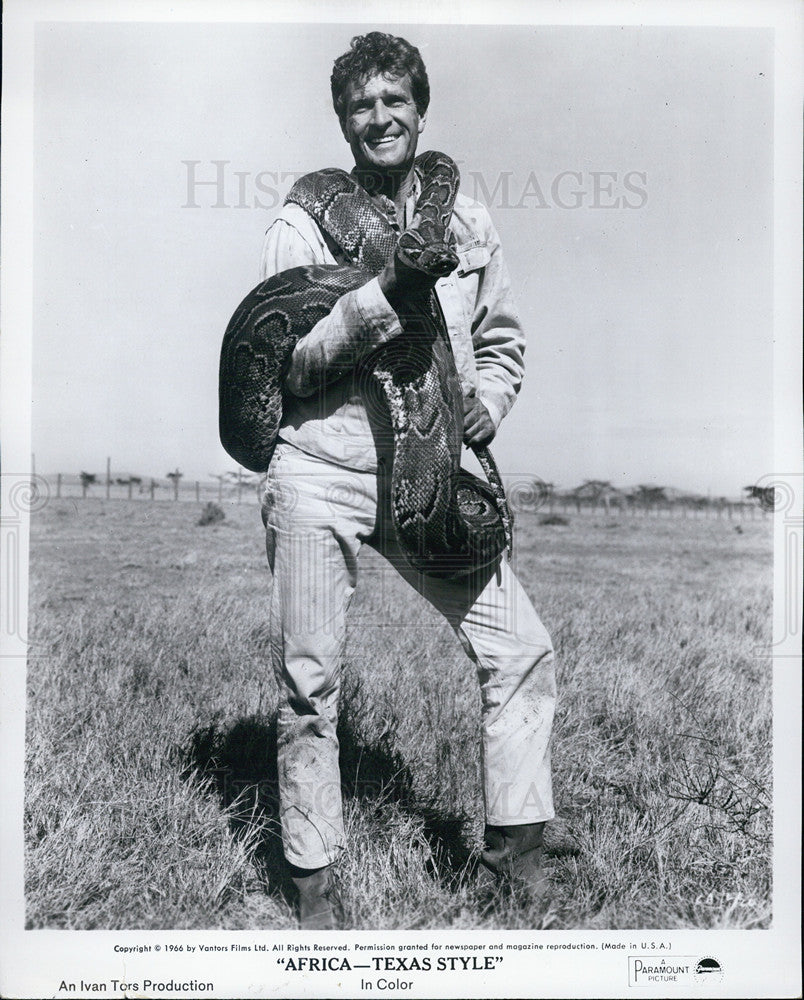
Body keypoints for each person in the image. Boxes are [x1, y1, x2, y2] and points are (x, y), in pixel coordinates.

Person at [258, 31, 557, 929]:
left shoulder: (464, 215)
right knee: (312, 686)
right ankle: (313, 884)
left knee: (522, 648)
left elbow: (502, 339)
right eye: (363, 105)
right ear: (343, 120)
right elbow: (287, 368)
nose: (381, 117)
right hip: (321, 466)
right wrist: (384, 292)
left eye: (396, 101)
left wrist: (491, 406)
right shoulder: (301, 221)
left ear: (420, 109)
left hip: (430, 473)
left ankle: (518, 857)